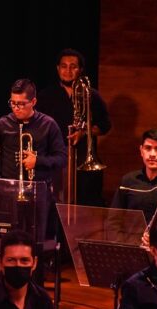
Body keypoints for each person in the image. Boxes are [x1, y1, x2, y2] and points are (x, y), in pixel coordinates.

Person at [37, 48, 112, 205]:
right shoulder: (45, 96)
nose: (68, 71)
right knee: (56, 206)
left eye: (73, 66)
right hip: (56, 161)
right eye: (64, 66)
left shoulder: (91, 94)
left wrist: (84, 132)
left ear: (81, 70)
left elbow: (105, 126)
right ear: (58, 69)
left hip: (84, 161)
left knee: (86, 207)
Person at [0, 79, 67, 186]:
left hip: (40, 189)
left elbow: (62, 158)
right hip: (9, 188)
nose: (16, 108)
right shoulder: (3, 123)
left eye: (21, 104)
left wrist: (38, 161)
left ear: (33, 102)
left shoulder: (48, 124)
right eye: (13, 103)